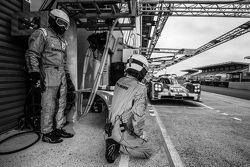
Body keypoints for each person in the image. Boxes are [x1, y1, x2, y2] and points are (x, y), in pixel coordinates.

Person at [25, 9, 74, 144]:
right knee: (49, 104)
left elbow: (64, 62)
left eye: (66, 25)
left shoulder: (63, 41)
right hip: (48, 72)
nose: (63, 27)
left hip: (61, 74)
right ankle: (47, 132)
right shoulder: (42, 33)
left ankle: (58, 128)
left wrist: (68, 78)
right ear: (52, 20)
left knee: (62, 103)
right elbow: (32, 54)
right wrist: (34, 74)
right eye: (60, 23)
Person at [104, 54, 153, 163]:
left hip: (109, 127)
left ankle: (111, 139)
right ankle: (118, 147)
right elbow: (138, 117)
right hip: (121, 131)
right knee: (147, 151)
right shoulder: (140, 88)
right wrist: (140, 134)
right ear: (141, 70)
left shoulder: (119, 81)